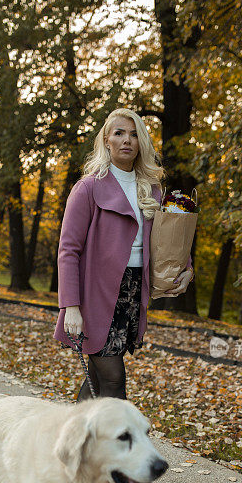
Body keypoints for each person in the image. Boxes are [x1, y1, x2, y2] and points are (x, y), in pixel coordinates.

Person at [53, 107, 194, 404]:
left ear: (141, 142)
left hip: (131, 292)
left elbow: (167, 240)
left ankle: (73, 445)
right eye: (119, 133)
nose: (126, 140)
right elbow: (68, 251)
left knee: (98, 376)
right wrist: (71, 307)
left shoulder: (153, 191)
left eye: (133, 134)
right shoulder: (87, 188)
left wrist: (186, 269)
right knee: (113, 378)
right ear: (106, 140)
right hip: (95, 294)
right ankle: (120, 447)